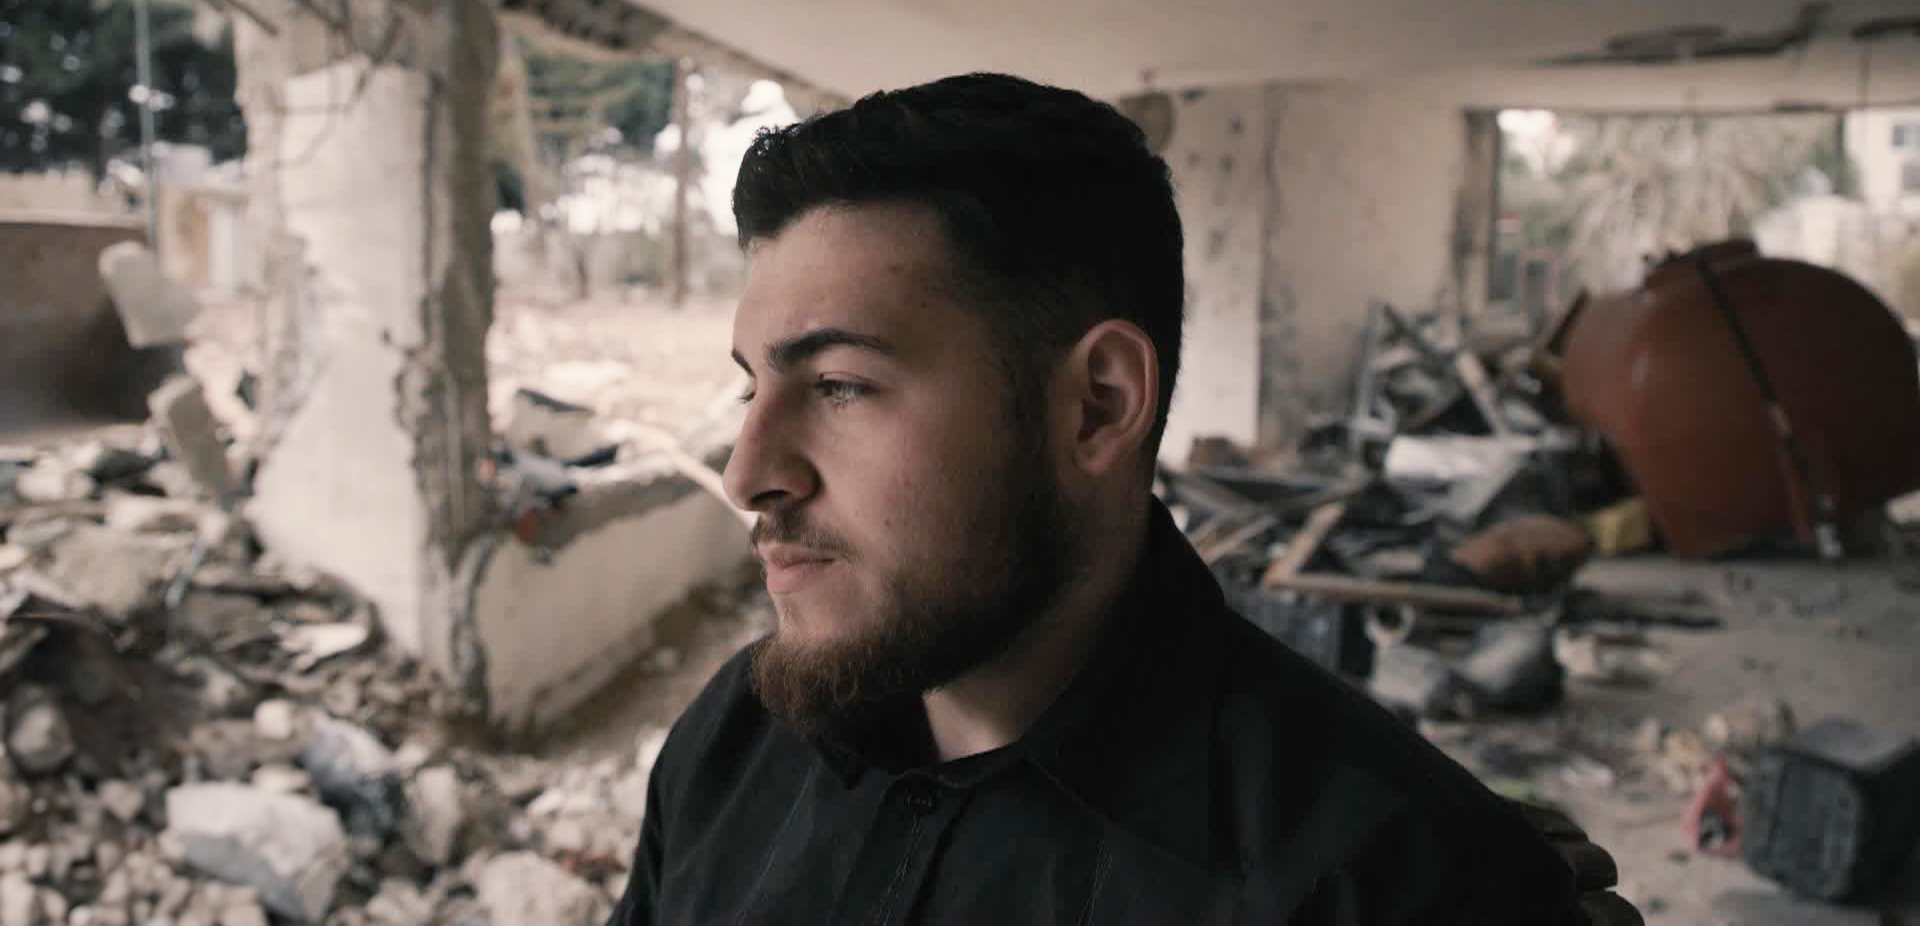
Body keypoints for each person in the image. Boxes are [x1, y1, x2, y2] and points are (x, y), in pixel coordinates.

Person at [608, 72, 1586, 925]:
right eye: (754, 387)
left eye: (838, 386)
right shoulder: (733, 744)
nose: (747, 475)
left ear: (1097, 405)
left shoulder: (1398, 882)